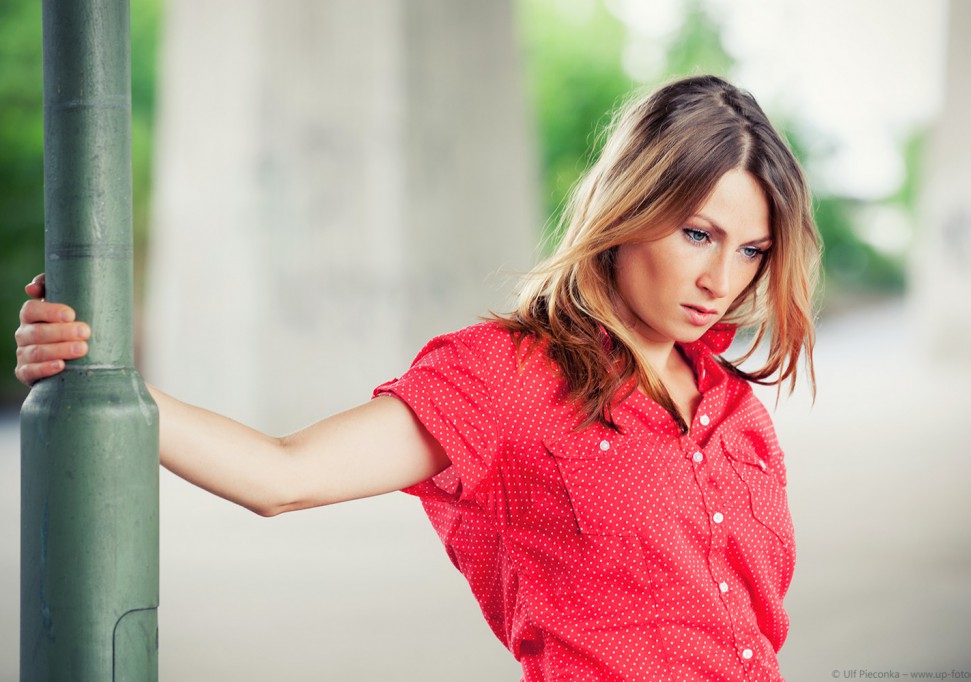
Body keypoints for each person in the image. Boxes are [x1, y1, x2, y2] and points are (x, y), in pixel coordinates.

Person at [15, 75, 821, 681]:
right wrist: (109, 378)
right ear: (629, 213)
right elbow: (281, 475)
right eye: (698, 233)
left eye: (752, 251)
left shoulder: (737, 412)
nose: (723, 279)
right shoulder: (509, 376)